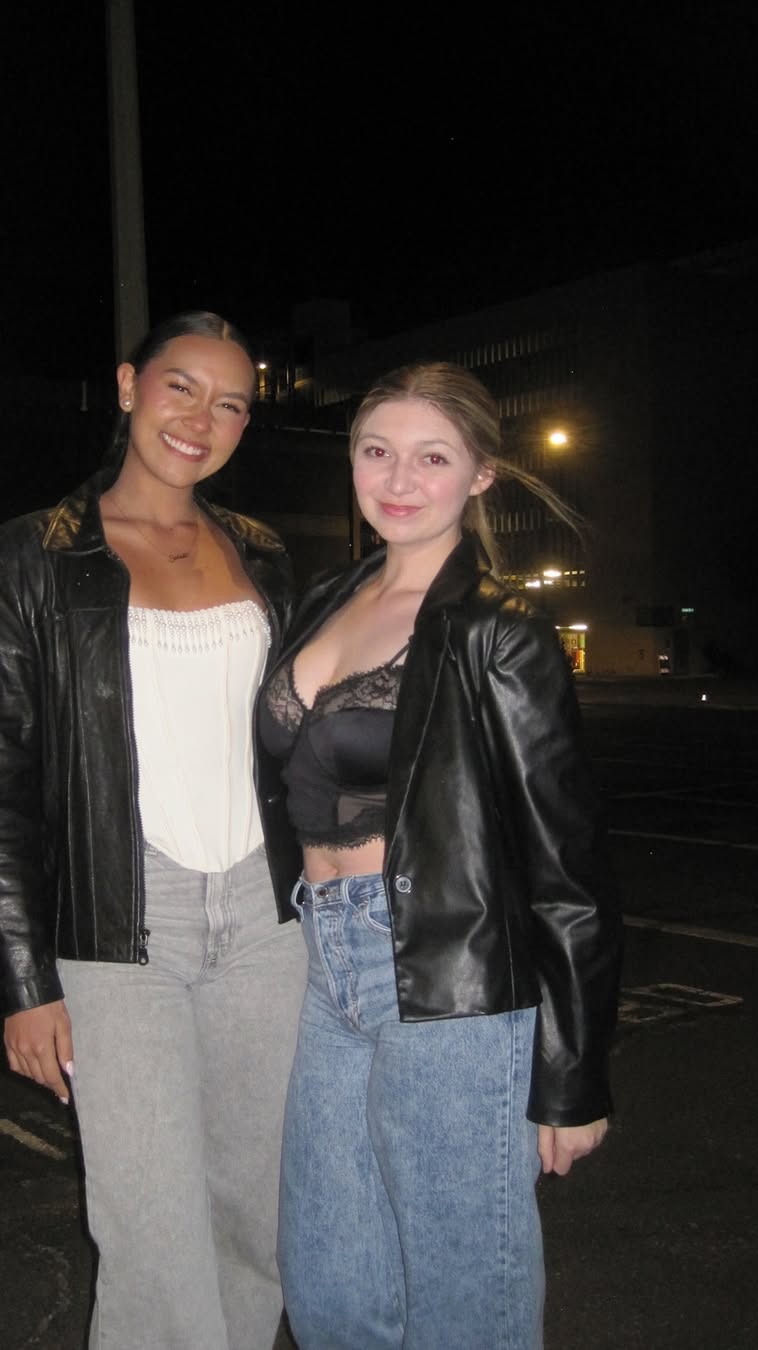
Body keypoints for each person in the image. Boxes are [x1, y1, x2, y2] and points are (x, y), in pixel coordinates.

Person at [0, 311, 307, 1350]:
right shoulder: (28, 556)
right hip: (119, 923)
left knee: (259, 1219)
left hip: (268, 921)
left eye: (231, 403)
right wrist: (25, 984)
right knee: (151, 1229)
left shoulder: (263, 553)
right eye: (180, 387)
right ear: (127, 387)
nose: (202, 418)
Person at [256, 362, 622, 1350]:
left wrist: (574, 1076)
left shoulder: (499, 627)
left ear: (481, 474)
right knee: (330, 1283)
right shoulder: (328, 596)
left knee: (465, 1292)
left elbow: (567, 861)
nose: (399, 479)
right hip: (323, 961)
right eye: (377, 451)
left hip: (449, 970)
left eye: (432, 457)